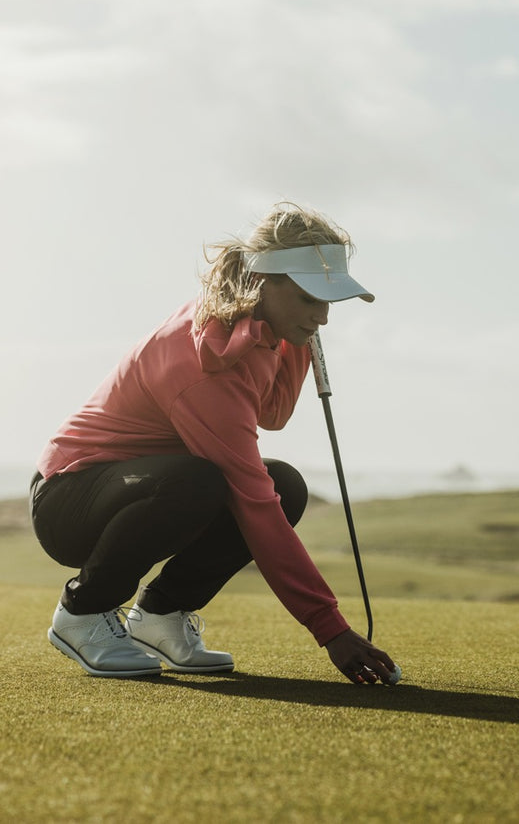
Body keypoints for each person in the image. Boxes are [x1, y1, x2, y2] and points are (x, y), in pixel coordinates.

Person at [28, 201, 398, 684]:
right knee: (203, 482)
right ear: (267, 281)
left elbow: (274, 413)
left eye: (328, 302)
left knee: (284, 483)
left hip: (136, 486)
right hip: (70, 498)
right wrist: (331, 629)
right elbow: (253, 503)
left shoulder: (258, 331)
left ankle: (161, 616)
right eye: (311, 299)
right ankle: (82, 612)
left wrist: (299, 340)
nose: (323, 317)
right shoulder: (203, 362)